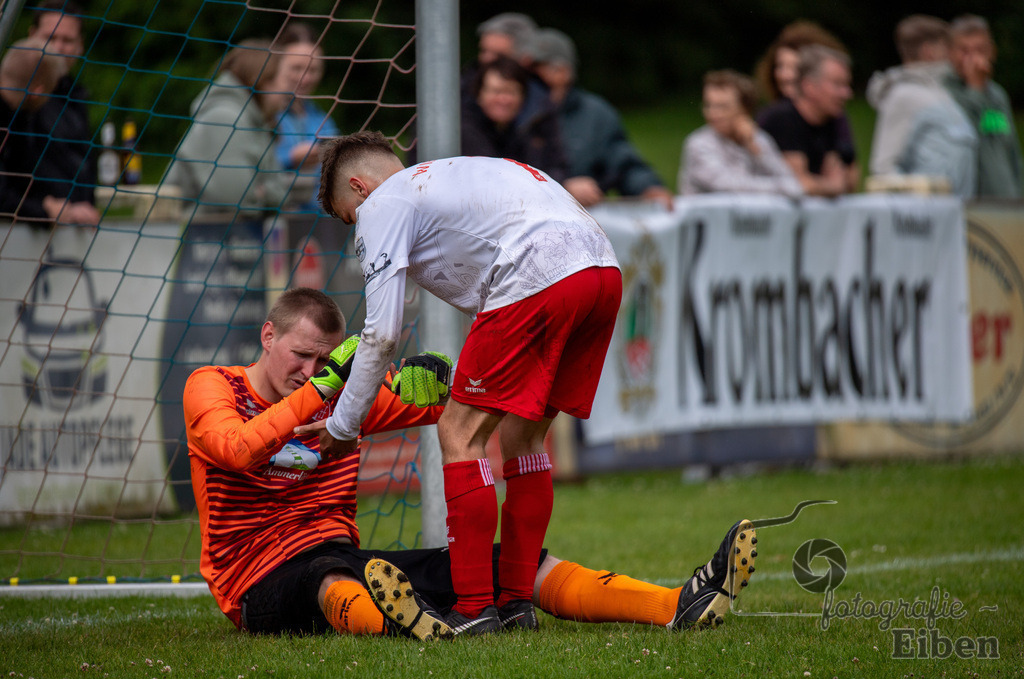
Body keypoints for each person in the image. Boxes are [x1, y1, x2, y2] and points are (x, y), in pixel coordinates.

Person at [185, 286, 759, 639]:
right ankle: (404, 624)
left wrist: (440, 379)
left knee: (502, 562)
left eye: (321, 361)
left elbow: (449, 407)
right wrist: (332, 386)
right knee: (325, 580)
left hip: (344, 552)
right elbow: (237, 448)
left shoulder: (345, 398)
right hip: (254, 581)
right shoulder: (211, 386)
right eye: (299, 355)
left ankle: (677, 605)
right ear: (267, 336)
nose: (310, 371)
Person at [308, 131, 622, 635]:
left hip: (536, 275)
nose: (357, 230)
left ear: (360, 187)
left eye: (349, 217)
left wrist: (344, 424)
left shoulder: (383, 203)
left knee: (458, 433)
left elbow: (382, 332)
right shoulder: (457, 174)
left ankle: (476, 607)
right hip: (601, 270)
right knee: (525, 437)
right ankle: (518, 603)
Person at [526, 28, 672, 209]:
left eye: (537, 69)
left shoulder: (595, 114)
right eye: (526, 71)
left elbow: (622, 162)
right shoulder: (510, 114)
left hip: (583, 226)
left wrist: (648, 188)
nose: (529, 79)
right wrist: (562, 186)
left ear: (564, 72)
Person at [164, 39, 296, 219]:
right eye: (285, 79)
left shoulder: (257, 122)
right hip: (190, 236)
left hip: (227, 236)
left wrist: (263, 192)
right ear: (264, 79)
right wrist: (264, 193)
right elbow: (236, 199)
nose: (290, 88)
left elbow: (281, 192)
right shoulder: (225, 118)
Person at [0, 2, 100, 227]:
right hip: (20, 234)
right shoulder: (17, 104)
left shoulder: (77, 97)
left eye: (67, 40)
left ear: (80, 45)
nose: (58, 47)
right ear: (32, 37)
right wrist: (44, 210)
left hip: (68, 236)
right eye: (50, 38)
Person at [866, 15, 977, 197]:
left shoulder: (942, 92)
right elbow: (883, 169)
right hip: (926, 219)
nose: (952, 57)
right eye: (946, 49)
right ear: (929, 51)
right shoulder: (904, 95)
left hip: (955, 214)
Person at [678, 69, 802, 198]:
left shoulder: (759, 139)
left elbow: (793, 185)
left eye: (722, 107)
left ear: (744, 109)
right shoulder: (698, 143)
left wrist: (755, 149)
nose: (712, 113)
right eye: (708, 105)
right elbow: (727, 186)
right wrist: (780, 188)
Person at [758, 45, 858, 197]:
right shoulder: (782, 118)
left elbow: (852, 180)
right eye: (838, 84)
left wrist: (827, 184)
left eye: (846, 85)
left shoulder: (833, 118)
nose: (847, 93)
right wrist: (832, 187)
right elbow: (798, 185)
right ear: (809, 86)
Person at [943, 15, 1022, 199]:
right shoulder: (944, 94)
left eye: (980, 49)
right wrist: (975, 89)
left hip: (1006, 198)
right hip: (970, 202)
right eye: (964, 50)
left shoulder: (997, 95)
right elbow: (968, 136)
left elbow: (1009, 147)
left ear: (992, 52)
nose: (973, 58)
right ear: (950, 53)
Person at [461, 55, 569, 183]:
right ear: (479, 95)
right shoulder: (463, 129)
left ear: (523, 98)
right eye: (496, 91)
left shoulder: (528, 127)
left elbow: (557, 166)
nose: (503, 100)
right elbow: (491, 178)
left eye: (511, 92)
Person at [271, 22, 339, 213]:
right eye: (296, 68)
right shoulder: (259, 115)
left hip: (322, 226)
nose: (305, 78)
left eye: (312, 70)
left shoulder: (322, 120)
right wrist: (290, 159)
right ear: (276, 65)